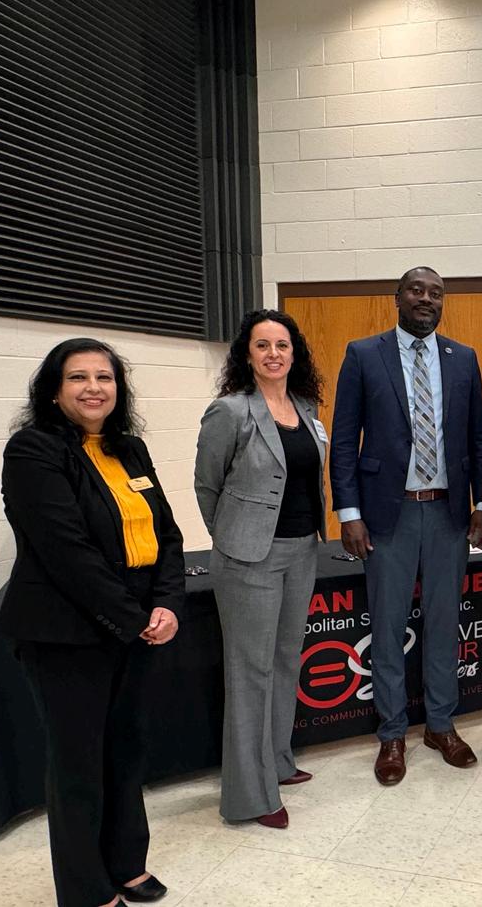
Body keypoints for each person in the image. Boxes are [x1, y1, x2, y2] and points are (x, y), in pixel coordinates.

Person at [0, 338, 184, 907]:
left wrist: (168, 603)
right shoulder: (33, 450)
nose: (93, 388)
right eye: (78, 377)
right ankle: (85, 890)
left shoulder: (130, 449)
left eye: (104, 377)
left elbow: (167, 533)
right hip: (67, 630)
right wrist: (134, 618)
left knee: (126, 750)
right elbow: (67, 551)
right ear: (54, 391)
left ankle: (126, 864)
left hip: (136, 622)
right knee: (78, 763)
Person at [330, 266, 482, 786]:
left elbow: (479, 438)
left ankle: (441, 726)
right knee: (388, 625)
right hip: (387, 514)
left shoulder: (463, 358)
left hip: (448, 513)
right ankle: (392, 733)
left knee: (445, 623)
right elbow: (343, 440)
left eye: (436, 293)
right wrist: (349, 513)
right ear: (397, 298)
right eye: (416, 291)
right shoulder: (363, 354)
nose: (426, 299)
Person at [194, 310, 327, 829]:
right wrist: (232, 537)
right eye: (262, 345)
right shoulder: (230, 411)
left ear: (295, 354)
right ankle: (250, 796)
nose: (274, 354)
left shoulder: (306, 408)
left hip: (302, 550)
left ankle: (277, 762)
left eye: (282, 345)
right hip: (248, 558)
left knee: (286, 662)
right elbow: (207, 485)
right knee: (251, 672)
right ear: (246, 355)